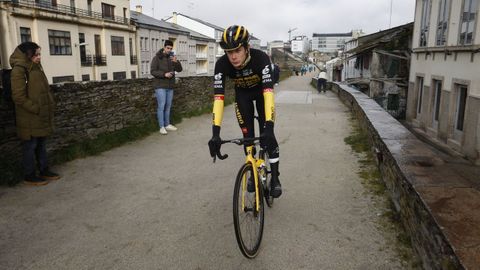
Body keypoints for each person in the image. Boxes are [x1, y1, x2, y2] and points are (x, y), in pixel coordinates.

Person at [208, 25, 282, 198]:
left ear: (247, 48)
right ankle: (251, 172)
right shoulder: (222, 64)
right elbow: (218, 99)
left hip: (262, 93)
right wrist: (215, 133)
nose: (233, 56)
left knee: (267, 136)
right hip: (243, 96)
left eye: (237, 50)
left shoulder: (260, 58)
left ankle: (276, 178)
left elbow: (269, 95)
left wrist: (270, 126)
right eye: (228, 52)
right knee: (247, 137)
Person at [10, 41, 60, 185]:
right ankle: (29, 175)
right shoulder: (19, 70)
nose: (39, 57)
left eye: (39, 54)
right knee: (30, 147)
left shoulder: (36, 67)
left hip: (40, 116)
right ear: (27, 55)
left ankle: (44, 170)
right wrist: (36, 108)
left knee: (41, 145)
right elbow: (18, 97)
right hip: (29, 117)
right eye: (36, 54)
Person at [151, 40, 183, 135]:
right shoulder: (157, 58)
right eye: (168, 48)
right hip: (160, 85)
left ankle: (167, 124)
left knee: (168, 106)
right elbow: (153, 71)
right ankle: (161, 127)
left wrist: (176, 62)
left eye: (171, 48)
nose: (169, 50)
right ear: (164, 47)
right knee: (161, 105)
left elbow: (179, 69)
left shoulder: (172, 57)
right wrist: (164, 74)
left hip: (170, 86)